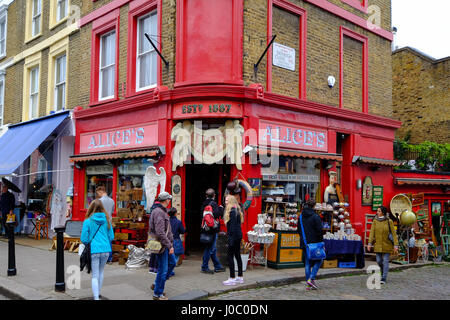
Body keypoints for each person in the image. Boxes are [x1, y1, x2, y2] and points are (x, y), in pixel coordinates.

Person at [80, 199, 114, 300]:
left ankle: (96, 297)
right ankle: (98, 293)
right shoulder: (107, 220)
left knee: (95, 275)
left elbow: (84, 239)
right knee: (101, 272)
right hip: (106, 250)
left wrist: (90, 242)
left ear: (91, 208)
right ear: (102, 208)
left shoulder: (88, 221)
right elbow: (111, 237)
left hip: (94, 250)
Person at [149, 191, 176, 300]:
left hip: (164, 244)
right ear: (166, 200)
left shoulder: (159, 211)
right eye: (169, 199)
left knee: (172, 263)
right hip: (163, 245)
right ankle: (157, 294)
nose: (169, 201)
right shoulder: (159, 212)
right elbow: (160, 232)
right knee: (163, 269)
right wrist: (169, 246)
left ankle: (157, 284)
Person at [368, 205, 399, 285]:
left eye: (379, 211)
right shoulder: (375, 221)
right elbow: (372, 233)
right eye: (377, 211)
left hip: (387, 244)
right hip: (378, 244)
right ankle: (383, 271)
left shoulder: (389, 221)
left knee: (385, 261)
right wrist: (369, 243)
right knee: (378, 261)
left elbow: (394, 234)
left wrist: (396, 245)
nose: (377, 212)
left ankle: (384, 277)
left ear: (383, 212)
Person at [298, 199, 324, 291]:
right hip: (315, 243)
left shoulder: (301, 216)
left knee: (307, 263)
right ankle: (311, 278)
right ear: (314, 206)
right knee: (320, 260)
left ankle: (308, 284)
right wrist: (321, 242)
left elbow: (299, 230)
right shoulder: (315, 217)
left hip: (305, 243)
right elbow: (319, 231)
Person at [200, 188, 225, 274]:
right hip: (213, 229)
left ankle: (217, 266)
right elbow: (217, 214)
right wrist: (221, 208)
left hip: (205, 228)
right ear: (214, 195)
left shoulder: (203, 203)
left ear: (206, 195)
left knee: (210, 248)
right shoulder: (213, 204)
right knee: (210, 249)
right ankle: (205, 267)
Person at [222, 195, 244, 286]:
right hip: (238, 235)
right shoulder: (237, 210)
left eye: (227, 200)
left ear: (231, 201)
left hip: (234, 236)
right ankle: (240, 277)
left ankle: (232, 278)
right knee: (238, 255)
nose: (225, 202)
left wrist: (230, 239)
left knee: (230, 256)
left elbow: (233, 227)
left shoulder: (232, 211)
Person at [96, 185, 115, 263]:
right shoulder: (112, 201)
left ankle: (103, 257)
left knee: (101, 240)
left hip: (101, 223)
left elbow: (97, 213)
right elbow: (112, 211)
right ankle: (109, 258)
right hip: (109, 222)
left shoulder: (99, 201)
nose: (98, 195)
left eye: (98, 193)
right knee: (109, 240)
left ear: (101, 192)